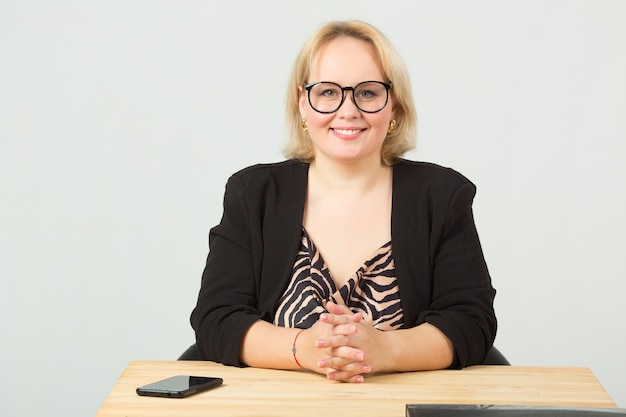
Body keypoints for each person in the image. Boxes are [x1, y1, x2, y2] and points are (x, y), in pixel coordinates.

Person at [191, 20, 496, 383]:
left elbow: (470, 322)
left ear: (394, 104)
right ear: (302, 102)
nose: (348, 110)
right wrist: (303, 348)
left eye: (367, 92)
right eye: (328, 92)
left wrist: (385, 351)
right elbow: (216, 318)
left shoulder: (443, 196)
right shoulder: (252, 194)